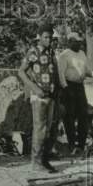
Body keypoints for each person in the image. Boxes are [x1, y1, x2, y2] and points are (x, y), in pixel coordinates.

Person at [19, 24, 59, 173]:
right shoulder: (33, 51)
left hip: (50, 96)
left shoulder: (50, 52)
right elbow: (21, 72)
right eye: (46, 37)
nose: (49, 40)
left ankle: (44, 160)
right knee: (39, 129)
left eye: (50, 37)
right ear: (40, 37)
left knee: (48, 129)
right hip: (38, 96)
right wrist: (35, 88)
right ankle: (35, 162)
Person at [56, 31, 91, 155]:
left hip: (79, 86)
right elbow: (61, 74)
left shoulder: (81, 53)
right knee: (69, 117)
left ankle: (81, 144)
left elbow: (85, 70)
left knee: (83, 115)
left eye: (80, 42)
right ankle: (71, 144)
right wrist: (65, 88)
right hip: (68, 86)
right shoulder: (64, 55)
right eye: (76, 42)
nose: (79, 44)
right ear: (70, 41)